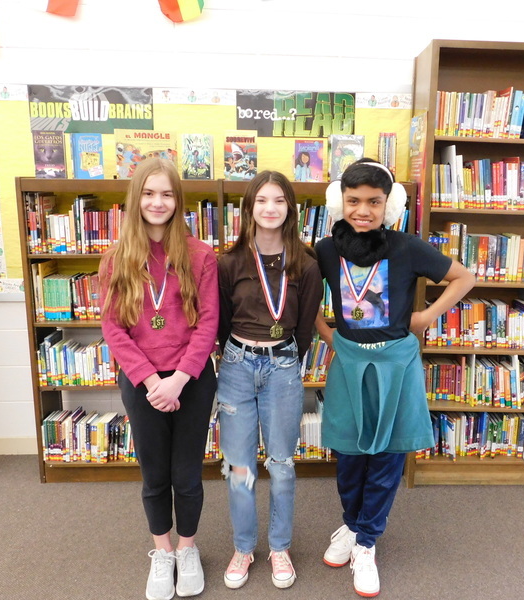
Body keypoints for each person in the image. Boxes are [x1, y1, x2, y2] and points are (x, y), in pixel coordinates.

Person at [314, 158, 475, 597]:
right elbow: (303, 294)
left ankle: (366, 541)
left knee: (386, 459)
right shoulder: (326, 249)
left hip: (395, 365)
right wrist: (325, 333)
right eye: (353, 200)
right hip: (349, 364)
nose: (363, 210)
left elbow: (463, 277)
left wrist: (425, 317)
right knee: (349, 455)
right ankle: (351, 524)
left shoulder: (407, 246)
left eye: (374, 201)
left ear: (390, 205)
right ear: (339, 202)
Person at [100, 157, 219, 600]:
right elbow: (113, 328)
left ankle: (187, 549)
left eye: (167, 194)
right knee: (154, 474)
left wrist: (179, 379)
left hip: (192, 380)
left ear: (178, 201)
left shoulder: (200, 255)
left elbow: (208, 324)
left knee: (187, 473)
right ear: (136, 199)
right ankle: (163, 551)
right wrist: (152, 382)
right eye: (149, 193)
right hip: (142, 383)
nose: (157, 202)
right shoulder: (116, 259)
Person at [217, 170, 323, 590]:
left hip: (283, 368)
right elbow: (222, 323)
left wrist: (286, 359)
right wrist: (239, 356)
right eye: (261, 200)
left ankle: (280, 547)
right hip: (237, 367)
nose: (270, 208)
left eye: (279, 200)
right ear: (249, 208)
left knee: (281, 465)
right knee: (239, 467)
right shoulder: (230, 263)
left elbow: (305, 328)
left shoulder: (307, 265)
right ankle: (243, 547)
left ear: (290, 209)